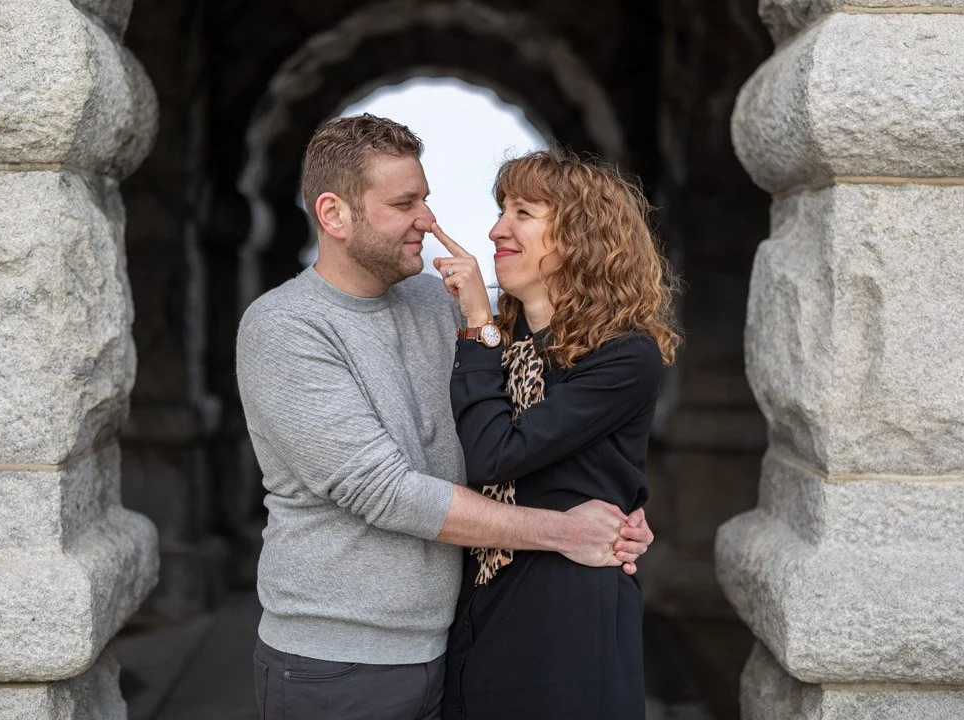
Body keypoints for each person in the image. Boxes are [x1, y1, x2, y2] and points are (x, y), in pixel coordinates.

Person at [235, 114, 655, 720]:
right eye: (405, 203)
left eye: (427, 199)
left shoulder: (442, 305)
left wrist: (619, 516)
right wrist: (566, 530)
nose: (428, 220)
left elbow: (536, 425)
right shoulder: (285, 327)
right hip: (338, 663)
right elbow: (385, 493)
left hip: (453, 640)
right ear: (334, 215)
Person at [431, 150, 681, 719]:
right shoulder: (506, 342)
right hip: (482, 599)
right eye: (500, 210)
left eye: (523, 212)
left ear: (580, 234)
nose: (498, 229)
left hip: (565, 618)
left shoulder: (624, 354)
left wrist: (477, 325)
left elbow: (496, 454)